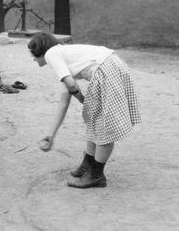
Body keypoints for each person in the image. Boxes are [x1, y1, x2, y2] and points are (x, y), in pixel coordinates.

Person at [28, 32, 141, 189]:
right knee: (92, 118)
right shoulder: (63, 56)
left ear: (41, 51)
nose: (33, 59)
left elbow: (72, 86)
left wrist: (80, 97)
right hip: (110, 66)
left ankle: (96, 175)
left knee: (104, 126)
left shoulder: (51, 54)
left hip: (107, 69)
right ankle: (87, 165)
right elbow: (64, 102)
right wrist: (51, 134)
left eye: (33, 55)